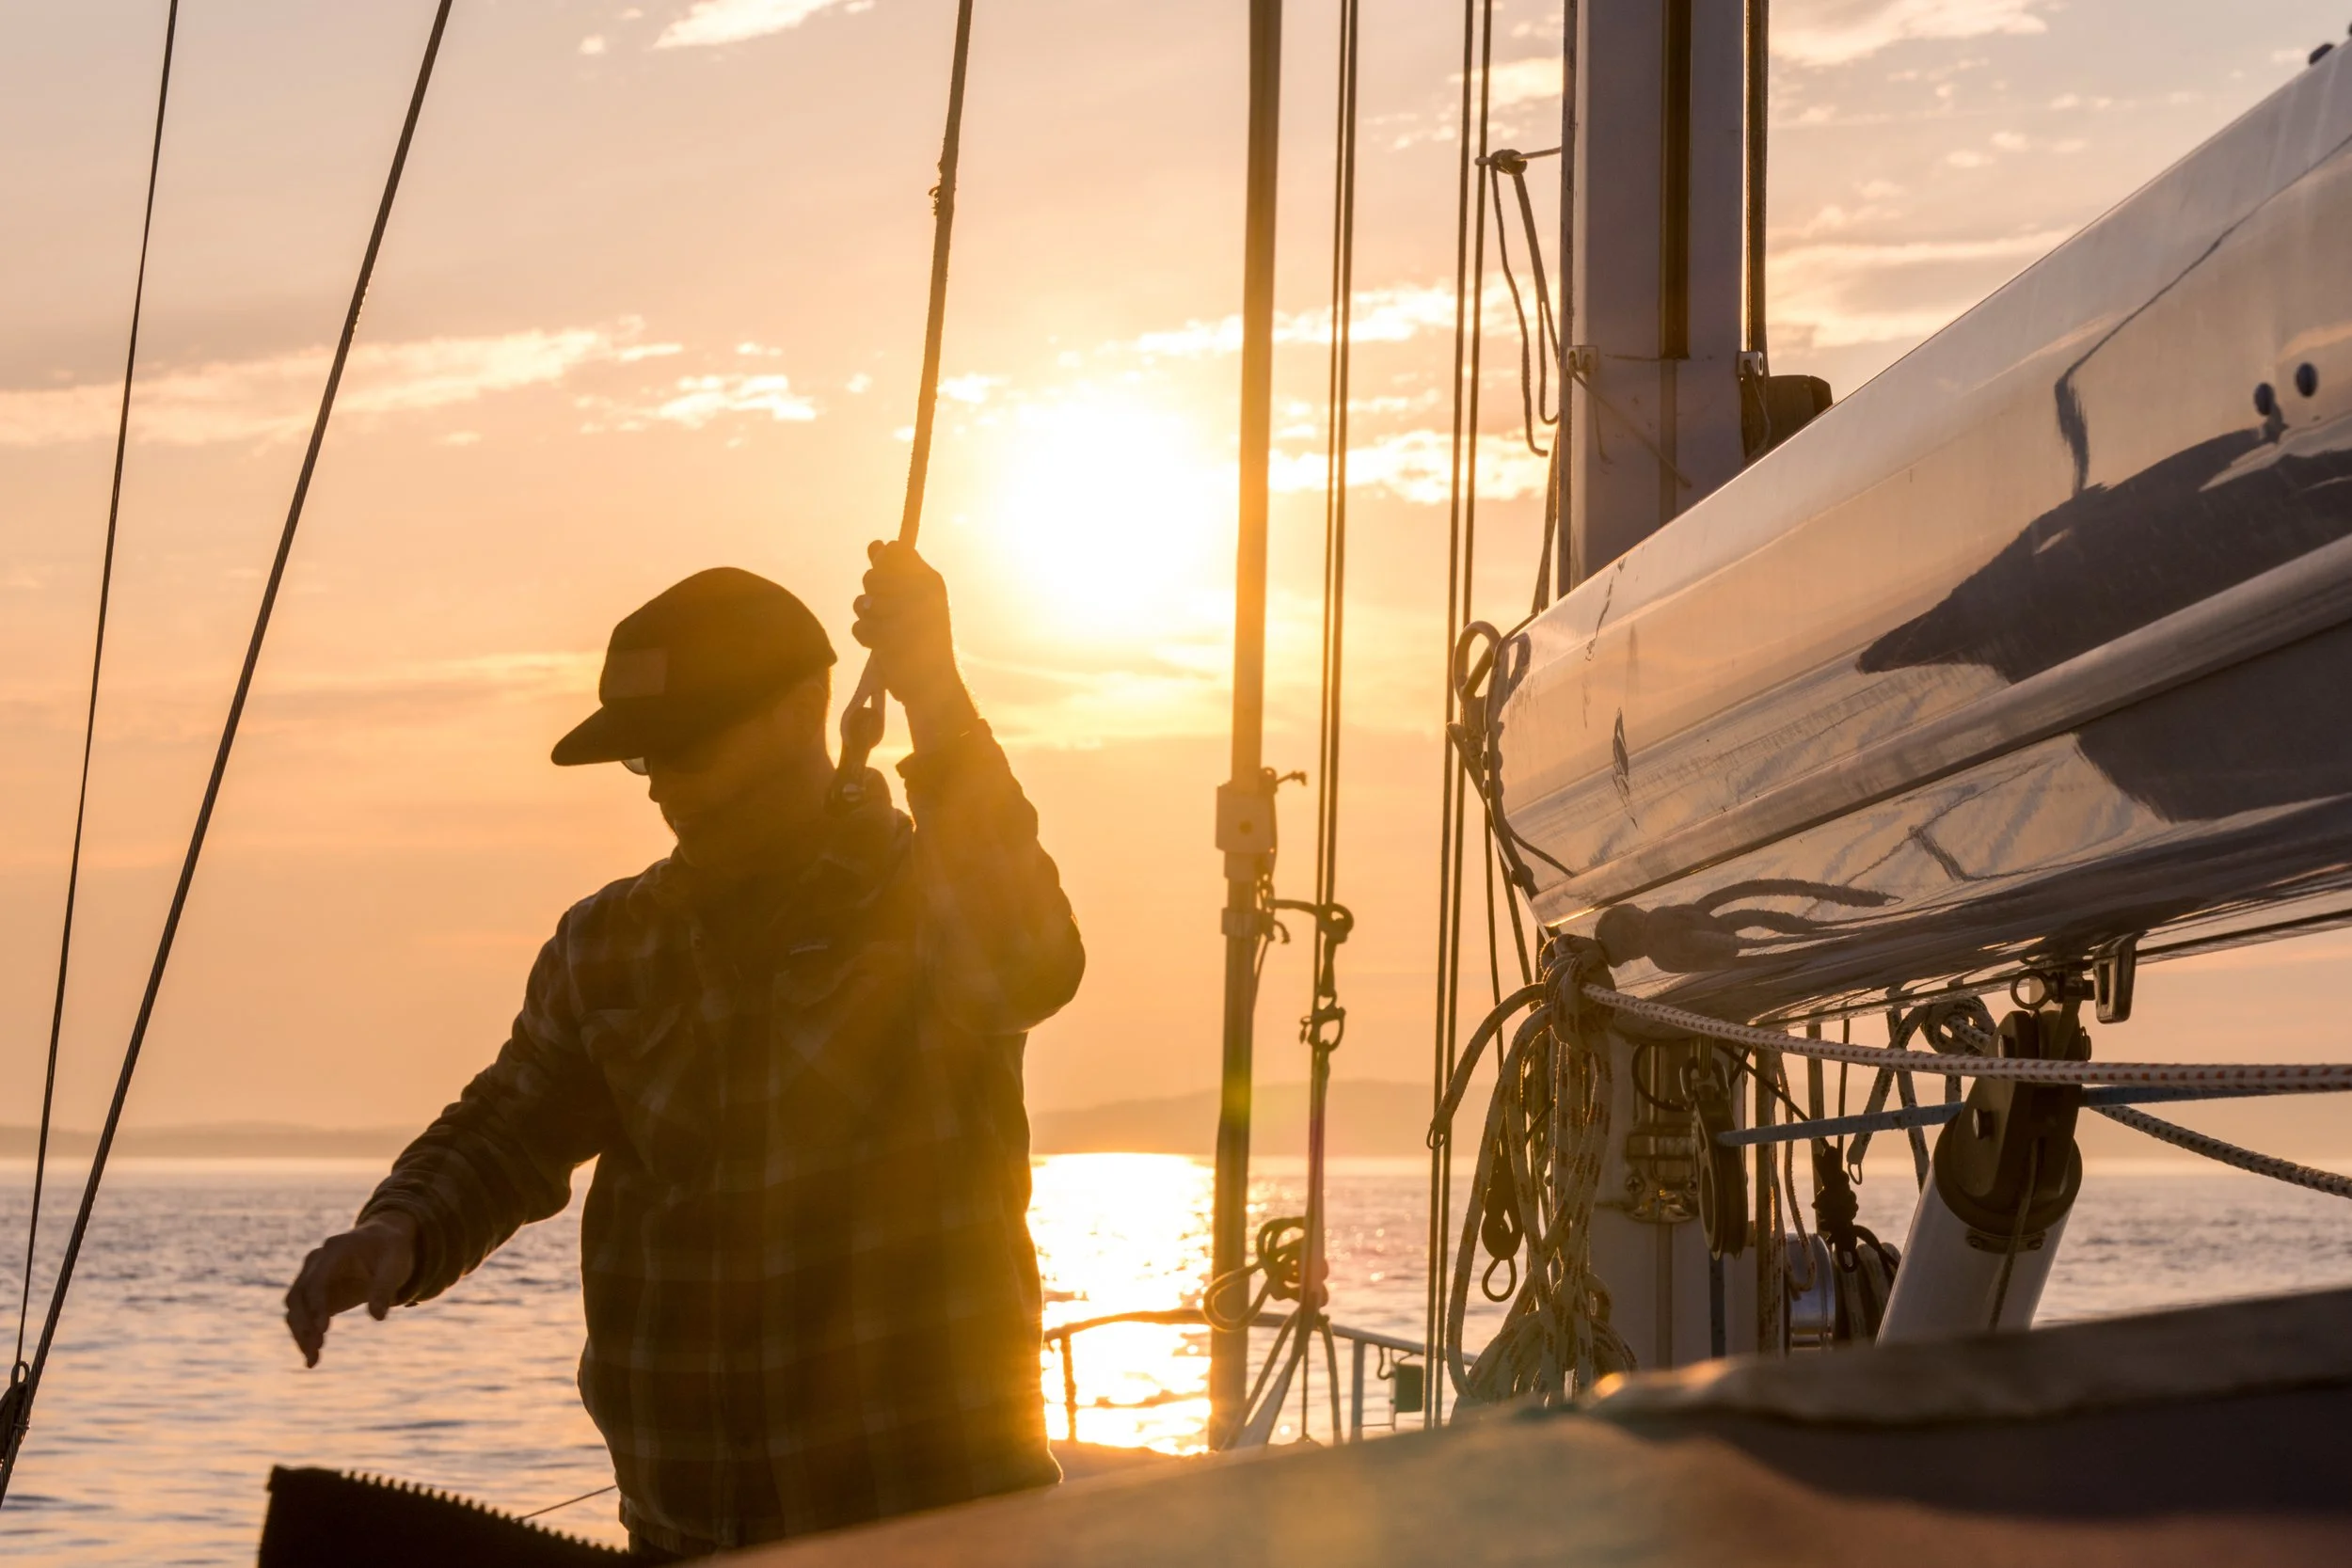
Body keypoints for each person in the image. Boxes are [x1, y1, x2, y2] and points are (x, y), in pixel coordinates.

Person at [283, 544, 1084, 1557]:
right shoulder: (608, 943)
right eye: (643, 756)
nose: (662, 784)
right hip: (684, 1537)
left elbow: (1032, 960)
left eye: (689, 747)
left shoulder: (933, 899)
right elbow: (506, 1126)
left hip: (938, 1535)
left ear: (801, 711)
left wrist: (933, 688)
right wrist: (395, 1231)